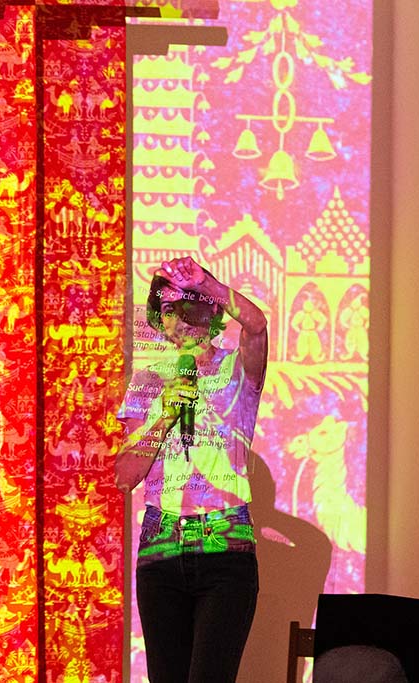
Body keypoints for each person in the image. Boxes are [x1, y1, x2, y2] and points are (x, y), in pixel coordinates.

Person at [115, 256, 268, 683]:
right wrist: (165, 415)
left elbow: (257, 326)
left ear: (211, 310)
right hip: (161, 547)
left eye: (189, 305)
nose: (178, 318)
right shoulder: (147, 382)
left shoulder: (236, 371)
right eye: (167, 309)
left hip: (224, 547)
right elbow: (125, 476)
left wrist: (208, 284)